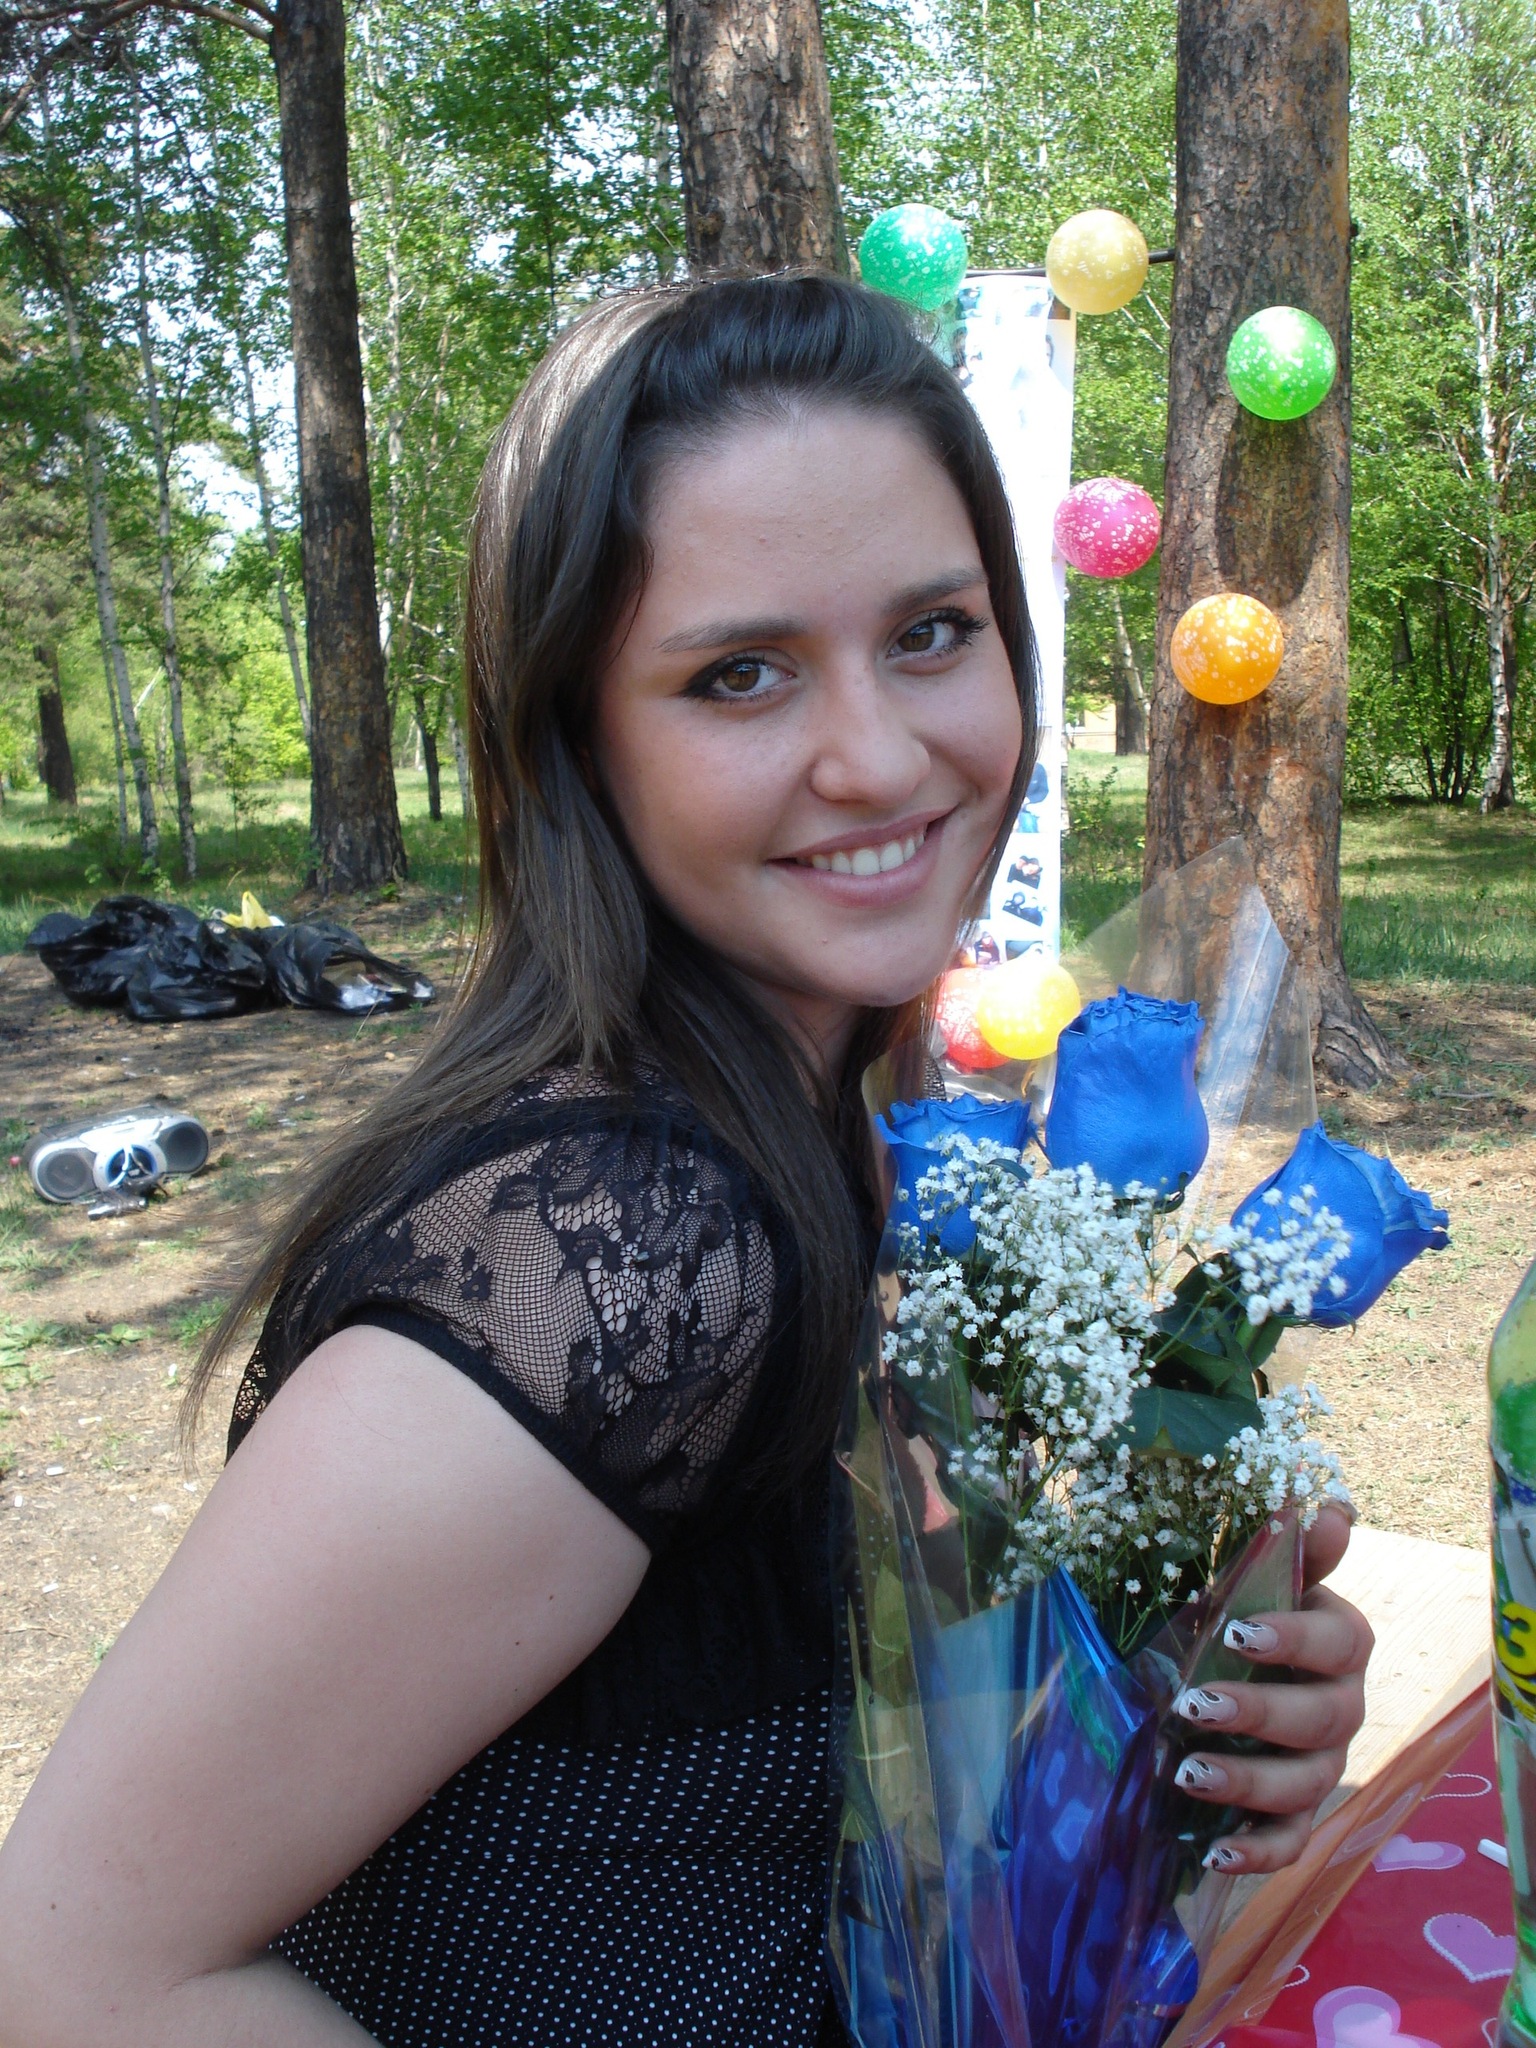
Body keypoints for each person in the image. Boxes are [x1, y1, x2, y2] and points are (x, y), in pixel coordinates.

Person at [0, 274, 1372, 2048]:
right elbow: (73, 1974)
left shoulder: (817, 1127)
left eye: (933, 632)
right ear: (578, 742)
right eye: (739, 674)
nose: (878, 755)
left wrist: (1156, 1716)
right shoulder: (626, 1248)